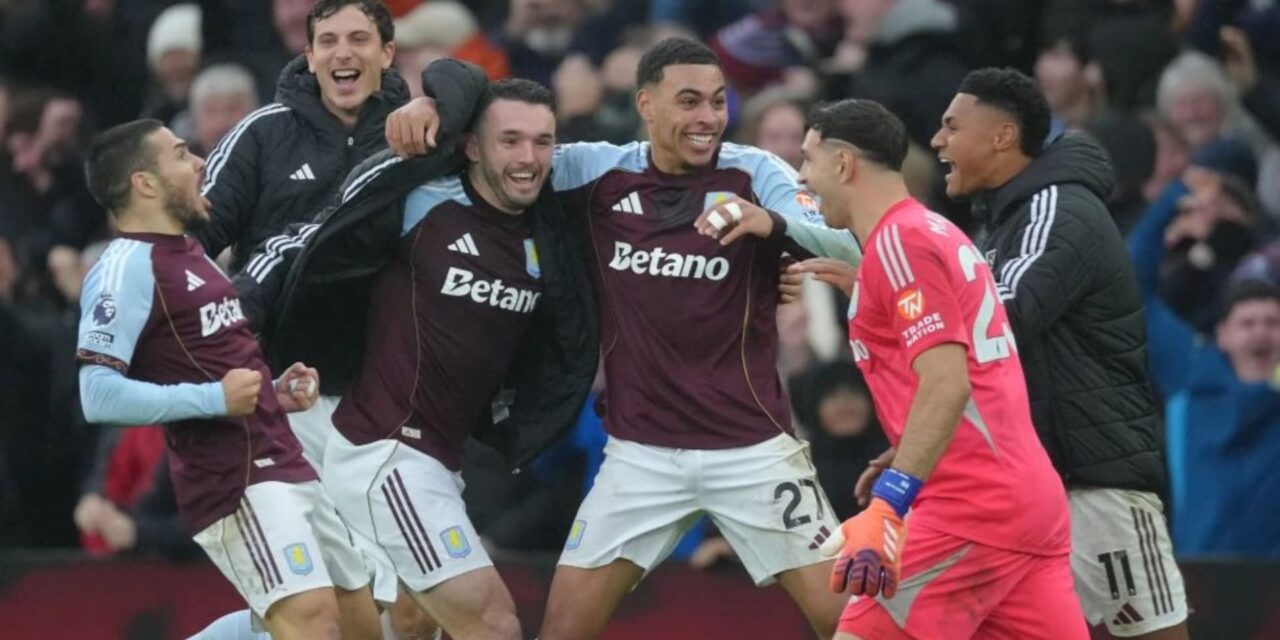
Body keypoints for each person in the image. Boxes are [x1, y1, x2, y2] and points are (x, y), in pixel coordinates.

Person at [387, 38, 863, 639]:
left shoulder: (756, 171)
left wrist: (771, 224)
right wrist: (435, 105)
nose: (707, 118)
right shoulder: (596, 170)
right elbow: (502, 148)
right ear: (646, 103)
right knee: (562, 631)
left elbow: (850, 245)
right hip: (640, 456)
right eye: (688, 101)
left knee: (851, 624)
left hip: (752, 450)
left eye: (717, 102)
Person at [713, 97, 1084, 639]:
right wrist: (910, 447)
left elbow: (948, 382)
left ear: (844, 165)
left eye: (810, 160)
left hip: (968, 507)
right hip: (1026, 504)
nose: (802, 176)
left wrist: (890, 500)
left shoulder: (900, 244)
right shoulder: (931, 233)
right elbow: (982, 374)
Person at [76, 119, 380, 640]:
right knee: (313, 624)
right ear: (144, 183)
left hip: (282, 457)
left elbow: (212, 360)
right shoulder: (124, 267)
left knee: (361, 625)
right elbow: (97, 394)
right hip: (231, 477)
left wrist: (273, 393)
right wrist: (215, 397)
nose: (199, 163)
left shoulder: (192, 255)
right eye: (179, 154)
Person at [931, 67, 1190, 638]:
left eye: (952, 126)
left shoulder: (1058, 208)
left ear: (1001, 136)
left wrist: (893, 294)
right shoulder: (1001, 222)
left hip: (1094, 481)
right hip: (1031, 484)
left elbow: (1004, 316)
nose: (937, 141)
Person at [1130, 171, 1280, 560]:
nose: (1261, 334)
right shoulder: (1190, 372)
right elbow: (1133, 286)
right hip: (1202, 576)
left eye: (1273, 323)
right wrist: (1174, 200)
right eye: (1248, 323)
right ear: (1223, 334)